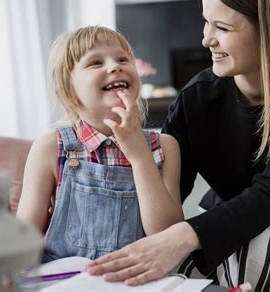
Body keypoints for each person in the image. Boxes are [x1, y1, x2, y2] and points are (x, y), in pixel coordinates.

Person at [85, 0, 270, 291]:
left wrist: (186, 236)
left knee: (259, 246)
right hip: (230, 211)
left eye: (221, 28)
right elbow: (165, 201)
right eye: (206, 23)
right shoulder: (196, 99)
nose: (206, 39)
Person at [16, 26, 182, 262]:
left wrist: (139, 157)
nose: (115, 66)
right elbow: (23, 238)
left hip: (136, 282)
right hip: (65, 282)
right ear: (69, 91)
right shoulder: (51, 147)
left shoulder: (164, 147)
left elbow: (167, 236)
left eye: (123, 59)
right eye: (95, 63)